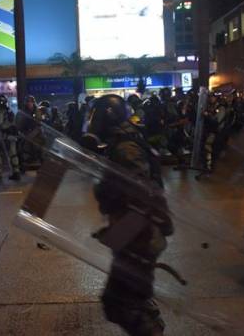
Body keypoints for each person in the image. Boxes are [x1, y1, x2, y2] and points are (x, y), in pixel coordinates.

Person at [82, 94, 173, 336]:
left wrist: (120, 229)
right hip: (137, 233)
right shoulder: (123, 141)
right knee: (132, 300)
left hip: (140, 235)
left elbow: (141, 194)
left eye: (96, 116)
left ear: (107, 117)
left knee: (119, 304)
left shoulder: (125, 147)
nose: (93, 121)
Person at [0, 95, 21, 181]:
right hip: (4, 136)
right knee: (3, 154)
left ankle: (13, 173)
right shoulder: (4, 112)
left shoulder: (6, 112)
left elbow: (6, 124)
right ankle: (4, 173)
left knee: (8, 154)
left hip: (7, 136)